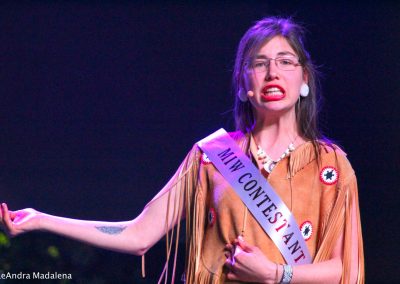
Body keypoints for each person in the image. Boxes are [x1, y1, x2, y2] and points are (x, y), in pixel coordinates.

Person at [0, 16, 364, 283]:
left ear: (304, 80)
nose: (273, 73)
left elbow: (342, 268)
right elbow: (140, 235)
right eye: (259, 63)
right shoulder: (210, 156)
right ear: (243, 84)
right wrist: (42, 220)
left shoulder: (330, 166)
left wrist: (275, 274)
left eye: (285, 62)